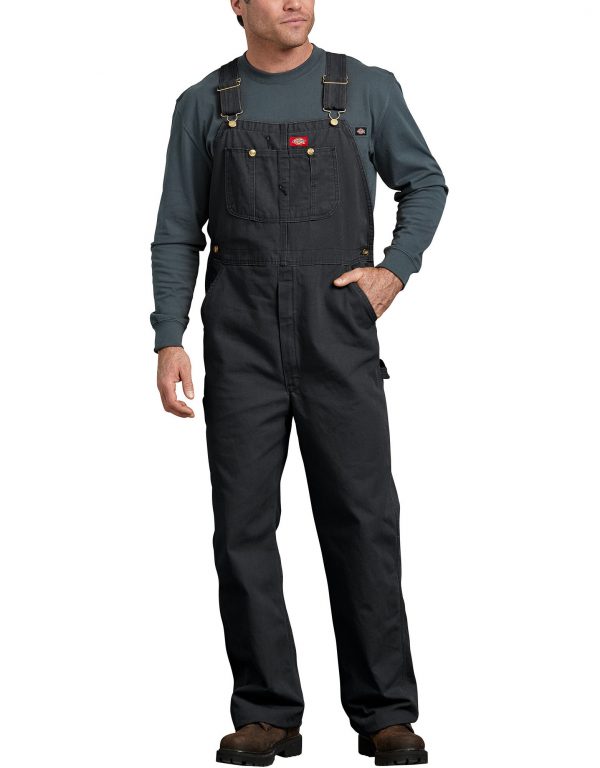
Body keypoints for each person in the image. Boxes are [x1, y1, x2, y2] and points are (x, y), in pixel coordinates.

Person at [149, 1, 448, 764]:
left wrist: (394, 271)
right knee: (243, 529)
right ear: (237, 4)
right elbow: (178, 229)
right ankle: (267, 714)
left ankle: (385, 713)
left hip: (337, 336)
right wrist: (170, 336)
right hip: (240, 342)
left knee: (364, 522)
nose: (296, 2)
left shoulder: (367, 89)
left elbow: (425, 183)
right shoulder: (205, 104)